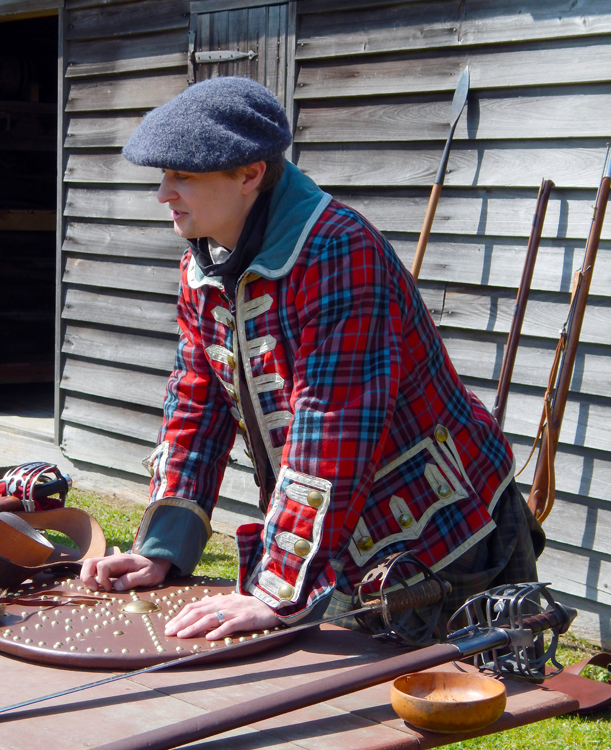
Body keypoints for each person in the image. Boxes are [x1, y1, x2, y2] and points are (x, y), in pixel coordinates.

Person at [81, 77, 543, 643]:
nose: (163, 193)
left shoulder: (340, 252)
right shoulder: (202, 266)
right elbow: (197, 404)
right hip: (341, 533)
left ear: (249, 174)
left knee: (462, 689)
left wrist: (275, 588)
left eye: (184, 175)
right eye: (164, 175)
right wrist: (161, 547)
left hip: (447, 533)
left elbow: (334, 424)